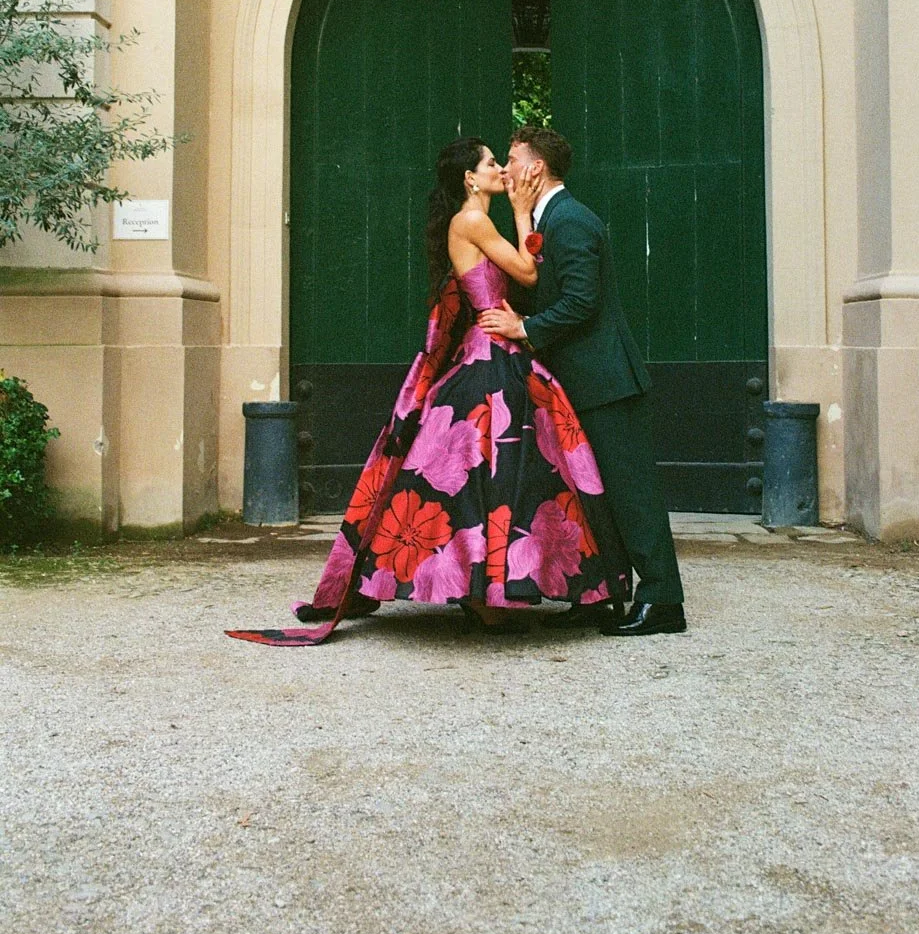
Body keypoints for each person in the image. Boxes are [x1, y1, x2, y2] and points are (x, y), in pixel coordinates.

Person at [227, 137, 629, 646]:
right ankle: (483, 594)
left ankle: (490, 591)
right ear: (469, 178)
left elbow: (520, 284)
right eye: (491, 164)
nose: (501, 171)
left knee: (499, 475)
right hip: (489, 359)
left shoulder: (480, 223)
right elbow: (528, 272)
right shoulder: (473, 221)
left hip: (498, 351)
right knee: (485, 474)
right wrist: (525, 212)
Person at [478, 126, 686, 637]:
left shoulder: (571, 221)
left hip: (606, 383)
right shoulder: (546, 220)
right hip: (578, 383)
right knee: (592, 496)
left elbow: (580, 302)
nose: (504, 169)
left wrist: (522, 328)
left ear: (534, 169)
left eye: (511, 159)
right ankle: (606, 597)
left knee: (630, 494)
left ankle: (663, 603)